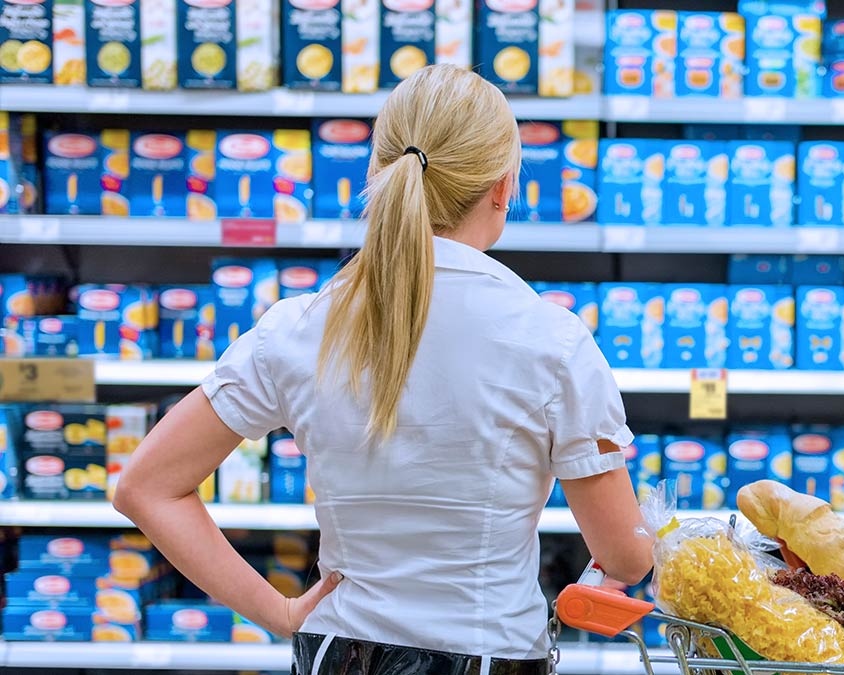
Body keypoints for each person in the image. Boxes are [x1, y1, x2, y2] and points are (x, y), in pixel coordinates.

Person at [114, 65, 654, 675]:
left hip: (337, 651)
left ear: (380, 171)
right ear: (503, 187)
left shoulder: (299, 326)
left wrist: (278, 613)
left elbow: (146, 486)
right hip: (487, 654)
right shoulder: (551, 340)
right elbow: (626, 559)